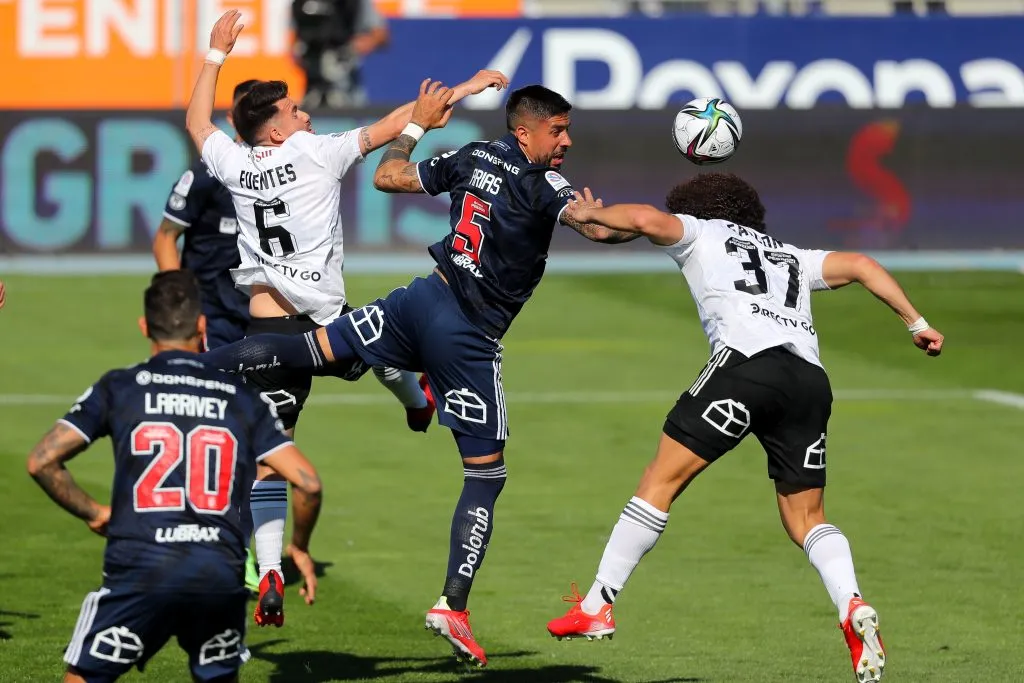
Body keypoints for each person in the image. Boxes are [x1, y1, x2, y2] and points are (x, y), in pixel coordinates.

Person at [200, 81, 639, 666]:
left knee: (306, 349)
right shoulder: (545, 184)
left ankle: (180, 369)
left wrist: (413, 130)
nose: (566, 141)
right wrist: (644, 224)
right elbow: (597, 228)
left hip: (418, 303)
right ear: (524, 131)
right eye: (557, 130)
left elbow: (389, 176)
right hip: (467, 338)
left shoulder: (473, 156)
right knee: (486, 474)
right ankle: (452, 605)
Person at [544, 173, 945, 683]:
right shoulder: (791, 256)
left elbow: (643, 218)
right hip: (809, 382)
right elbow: (863, 265)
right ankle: (851, 603)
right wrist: (917, 323)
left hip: (744, 366)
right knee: (806, 518)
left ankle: (598, 604)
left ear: (697, 210)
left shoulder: (700, 231)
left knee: (660, 481)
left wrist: (588, 214)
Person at [184, 10, 508, 628]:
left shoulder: (232, 162)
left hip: (267, 332)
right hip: (327, 329)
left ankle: (270, 568)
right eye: (293, 111)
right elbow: (393, 126)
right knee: (387, 332)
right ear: (275, 131)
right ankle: (415, 401)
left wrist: (214, 53)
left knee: (272, 457)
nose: (305, 114)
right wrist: (462, 90)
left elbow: (198, 123)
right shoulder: (317, 153)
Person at [26, 270, 324, 683]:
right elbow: (307, 483)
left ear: (144, 326)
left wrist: (94, 512)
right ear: (202, 327)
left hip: (141, 568)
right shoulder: (240, 398)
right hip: (216, 573)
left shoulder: (120, 387)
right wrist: (299, 547)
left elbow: (41, 461)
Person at [153, 79, 258, 351]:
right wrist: (180, 304)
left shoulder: (282, 174)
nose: (253, 119)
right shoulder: (206, 175)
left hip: (263, 314)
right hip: (212, 315)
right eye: (247, 111)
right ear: (231, 118)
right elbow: (165, 237)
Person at [292, 0, 389, 108]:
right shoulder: (302, 4)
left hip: (346, 88)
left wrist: (351, 48)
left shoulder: (357, 3)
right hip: (313, 88)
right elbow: (295, 43)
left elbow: (381, 35)